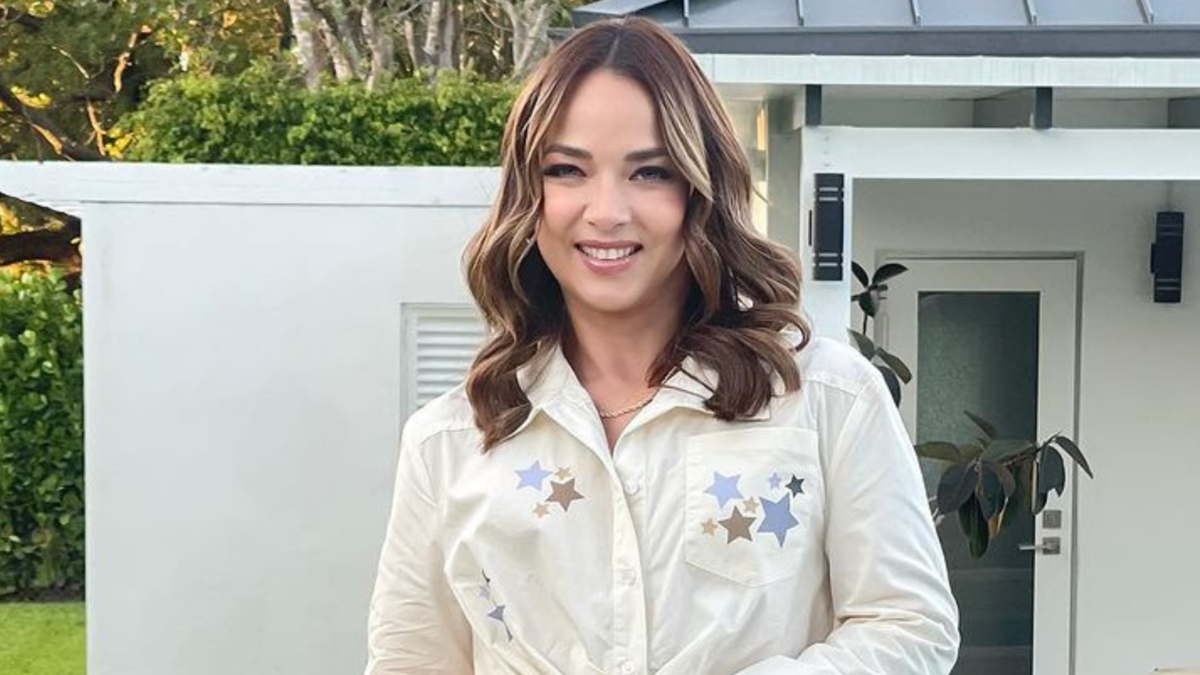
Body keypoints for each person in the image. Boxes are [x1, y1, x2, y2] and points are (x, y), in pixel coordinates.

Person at [364, 15, 959, 675]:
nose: (606, 211)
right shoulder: (448, 440)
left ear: (700, 191)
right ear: (528, 195)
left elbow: (910, 627)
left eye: (649, 172)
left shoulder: (825, 398)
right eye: (567, 170)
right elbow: (410, 661)